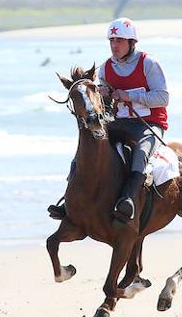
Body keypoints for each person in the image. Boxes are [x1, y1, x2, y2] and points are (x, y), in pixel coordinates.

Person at [47, 18, 170, 224]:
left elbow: (163, 98)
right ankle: (69, 201)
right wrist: (102, 95)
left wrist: (127, 95)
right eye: (112, 40)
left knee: (140, 154)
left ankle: (129, 200)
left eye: (119, 40)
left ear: (131, 43)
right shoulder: (105, 68)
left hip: (148, 124)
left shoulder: (148, 64)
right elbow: (104, 104)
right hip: (120, 123)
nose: (114, 45)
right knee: (87, 148)